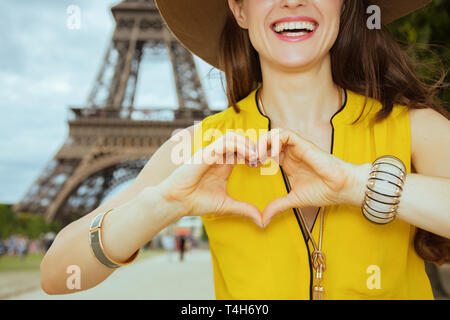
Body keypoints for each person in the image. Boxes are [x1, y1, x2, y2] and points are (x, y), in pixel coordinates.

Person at [40, 0, 450, 299]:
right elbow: (58, 274)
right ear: (238, 9)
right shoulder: (198, 148)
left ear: (343, 5)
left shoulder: (415, 128)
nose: (293, 1)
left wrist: (357, 183)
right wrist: (161, 205)